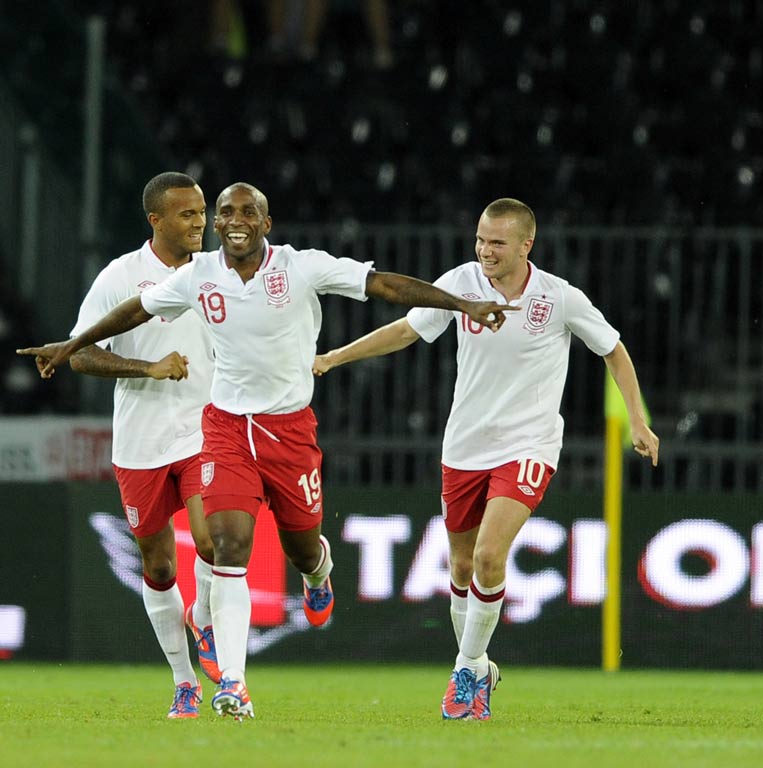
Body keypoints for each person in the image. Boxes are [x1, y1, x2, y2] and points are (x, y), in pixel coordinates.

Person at [19, 182, 516, 721]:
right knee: (226, 544)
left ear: (266, 223)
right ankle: (232, 683)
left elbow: (384, 285)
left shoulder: (302, 267)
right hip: (225, 429)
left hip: (289, 433)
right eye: (223, 212)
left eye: (245, 211)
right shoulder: (198, 275)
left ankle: (317, 572)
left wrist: (462, 302)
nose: (232, 219)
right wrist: (71, 346)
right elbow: (134, 312)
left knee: (301, 547)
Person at [313, 198, 659, 720]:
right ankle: (477, 665)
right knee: (461, 564)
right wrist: (335, 357)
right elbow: (408, 329)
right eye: (480, 239)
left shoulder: (558, 298)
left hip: (529, 445)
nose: (485, 250)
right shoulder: (460, 283)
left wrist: (638, 419)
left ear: (526, 245)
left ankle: (464, 672)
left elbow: (613, 348)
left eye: (497, 242)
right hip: (464, 447)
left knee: (490, 556)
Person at [59, 172, 219, 718]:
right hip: (141, 440)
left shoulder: (217, 272)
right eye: (188, 214)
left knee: (213, 538)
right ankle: (183, 682)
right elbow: (80, 353)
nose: (201, 223)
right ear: (155, 219)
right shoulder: (120, 276)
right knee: (158, 567)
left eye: (202, 213)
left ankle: (206, 619)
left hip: (205, 429)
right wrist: (146, 367)